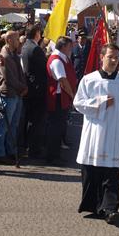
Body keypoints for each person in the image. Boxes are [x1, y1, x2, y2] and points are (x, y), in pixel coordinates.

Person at [74, 43, 119, 224]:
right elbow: (78, 103)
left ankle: (109, 208)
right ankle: (93, 205)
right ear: (101, 57)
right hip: (94, 135)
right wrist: (100, 102)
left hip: (115, 135)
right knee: (92, 172)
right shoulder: (89, 80)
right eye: (109, 57)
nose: (113, 61)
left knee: (111, 173)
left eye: (116, 58)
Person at [0, 31, 28, 164]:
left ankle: (11, 151)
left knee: (13, 125)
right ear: (9, 40)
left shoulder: (13, 54)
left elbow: (19, 73)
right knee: (4, 124)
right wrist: (23, 87)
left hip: (16, 94)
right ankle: (0, 153)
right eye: (15, 39)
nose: (18, 42)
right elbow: (9, 77)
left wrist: (23, 86)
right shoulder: (5, 55)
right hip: (9, 94)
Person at [45, 36, 76, 164]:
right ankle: (52, 156)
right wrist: (72, 95)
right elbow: (62, 81)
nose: (71, 49)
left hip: (62, 97)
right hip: (58, 97)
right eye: (70, 46)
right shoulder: (57, 60)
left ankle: (55, 154)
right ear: (63, 47)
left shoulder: (63, 58)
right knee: (55, 128)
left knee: (59, 127)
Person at [20, 24, 48, 159]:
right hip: (37, 89)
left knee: (30, 119)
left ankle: (28, 145)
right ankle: (33, 148)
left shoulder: (25, 46)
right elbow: (44, 68)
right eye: (40, 32)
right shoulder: (35, 49)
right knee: (36, 120)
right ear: (37, 33)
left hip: (30, 88)